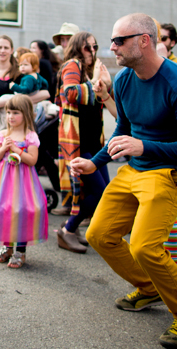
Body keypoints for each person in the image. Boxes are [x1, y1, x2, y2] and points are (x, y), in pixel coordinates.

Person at [71, 13, 177, 349]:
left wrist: (144, 146)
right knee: (99, 235)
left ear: (144, 40)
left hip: (171, 173)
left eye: (119, 40)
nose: (111, 47)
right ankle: (148, 289)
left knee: (145, 246)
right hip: (135, 169)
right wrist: (94, 162)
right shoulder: (125, 79)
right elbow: (123, 130)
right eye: (112, 40)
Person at [53, 32, 112, 255]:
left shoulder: (86, 70)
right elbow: (69, 93)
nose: (93, 52)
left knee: (100, 193)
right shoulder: (72, 64)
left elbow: (100, 99)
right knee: (98, 192)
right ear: (78, 47)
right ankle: (67, 229)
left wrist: (104, 84)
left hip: (94, 143)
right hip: (79, 143)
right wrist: (97, 83)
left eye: (95, 47)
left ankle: (70, 228)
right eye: (89, 48)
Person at [0, 95, 48, 268]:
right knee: (5, 208)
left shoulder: (31, 135)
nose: (10, 116)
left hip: (24, 181)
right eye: (8, 112)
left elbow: (32, 160)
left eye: (15, 113)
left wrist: (15, 149)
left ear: (26, 114)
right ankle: (7, 246)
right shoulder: (3, 134)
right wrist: (4, 147)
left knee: (23, 210)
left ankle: (20, 250)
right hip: (5, 180)